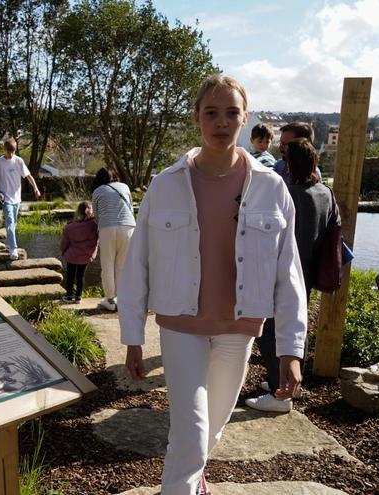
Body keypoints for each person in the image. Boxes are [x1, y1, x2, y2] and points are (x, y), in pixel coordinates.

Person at [117, 74, 308, 494]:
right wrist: (132, 336)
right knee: (190, 432)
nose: (221, 122)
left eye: (231, 113)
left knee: (212, 428)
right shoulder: (166, 184)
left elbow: (288, 272)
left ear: (245, 118)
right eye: (211, 113)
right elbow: (138, 264)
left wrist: (291, 350)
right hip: (180, 325)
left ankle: (195, 478)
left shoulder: (271, 188)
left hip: (237, 330)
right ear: (197, 118)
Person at [247, 138, 338, 412]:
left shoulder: (291, 195)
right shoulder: (325, 193)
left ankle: (280, 393)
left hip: (285, 268)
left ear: (289, 163)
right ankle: (290, 382)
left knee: (270, 330)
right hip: (309, 267)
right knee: (298, 323)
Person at [91, 167, 136, 312]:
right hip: (129, 226)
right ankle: (122, 298)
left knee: (107, 265)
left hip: (107, 228)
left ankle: (110, 300)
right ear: (115, 175)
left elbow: (97, 216)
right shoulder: (124, 187)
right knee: (122, 266)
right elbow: (130, 207)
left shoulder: (97, 191)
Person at [0, 137, 41, 260]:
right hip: (5, 199)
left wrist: (36, 188)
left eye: (13, 151)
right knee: (10, 224)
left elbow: (28, 176)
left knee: (14, 224)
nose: (11, 154)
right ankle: (13, 250)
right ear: (4, 149)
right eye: (9, 151)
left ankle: (9, 244)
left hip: (17, 199)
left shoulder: (19, 161)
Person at [60, 201, 99, 303]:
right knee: (81, 276)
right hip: (85, 257)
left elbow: (64, 243)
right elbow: (95, 243)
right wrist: (92, 255)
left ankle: (69, 295)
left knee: (70, 276)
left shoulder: (70, 227)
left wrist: (63, 252)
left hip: (72, 256)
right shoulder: (94, 226)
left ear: (78, 212)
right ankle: (78, 296)